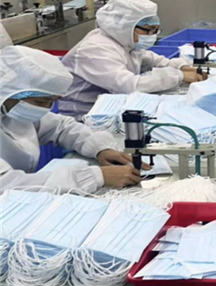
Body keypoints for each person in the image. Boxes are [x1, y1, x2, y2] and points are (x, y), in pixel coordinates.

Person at [0, 46, 149, 194]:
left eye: (52, 102)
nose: (46, 108)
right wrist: (95, 177)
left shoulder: (10, 110)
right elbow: (5, 184)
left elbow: (61, 127)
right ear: (7, 90)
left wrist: (100, 148)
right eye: (40, 102)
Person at [59, 0, 206, 120]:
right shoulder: (95, 49)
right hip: (85, 117)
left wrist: (182, 67)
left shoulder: (124, 42)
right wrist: (179, 76)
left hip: (112, 110)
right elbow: (130, 86)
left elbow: (153, 60)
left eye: (156, 30)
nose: (152, 35)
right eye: (149, 30)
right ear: (125, 26)